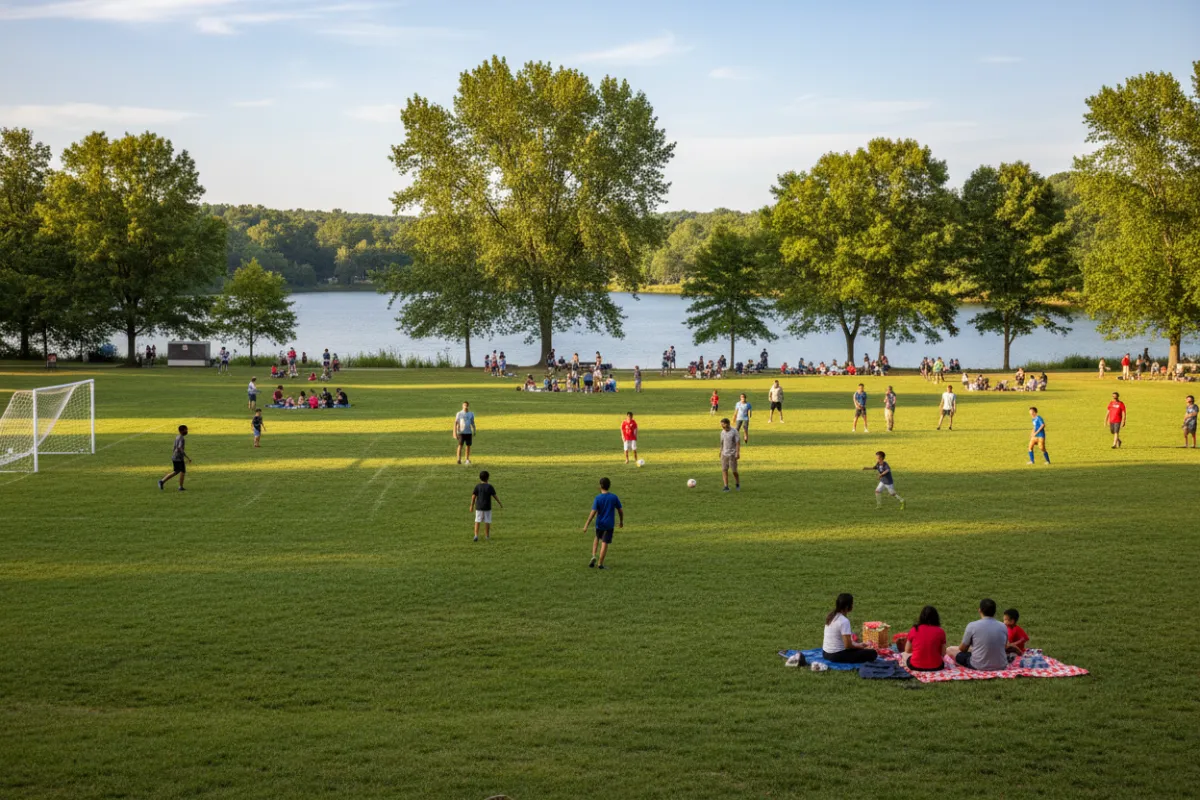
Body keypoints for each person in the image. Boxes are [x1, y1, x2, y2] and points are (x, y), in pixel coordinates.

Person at [947, 598, 1009, 671]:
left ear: (980, 610)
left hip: (978, 665)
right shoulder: (1003, 626)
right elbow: (1004, 647)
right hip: (1001, 665)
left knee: (950, 650)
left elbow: (962, 649)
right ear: (995, 612)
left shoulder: (972, 626)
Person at [822, 593, 877, 664]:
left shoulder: (831, 615)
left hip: (825, 653)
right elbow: (848, 645)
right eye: (852, 604)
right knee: (872, 653)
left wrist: (859, 645)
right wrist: (859, 647)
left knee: (859, 649)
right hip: (835, 655)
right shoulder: (844, 621)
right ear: (847, 606)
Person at [583, 477, 623, 569]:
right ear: (609, 486)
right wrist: (621, 522)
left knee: (597, 538)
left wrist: (586, 525)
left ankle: (593, 555)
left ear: (600, 486)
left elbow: (592, 513)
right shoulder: (614, 497)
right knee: (604, 543)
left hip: (599, 524)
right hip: (609, 525)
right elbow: (620, 511)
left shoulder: (598, 498)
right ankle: (600, 564)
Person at [903, 606, 946, 672]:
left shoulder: (914, 630)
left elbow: (907, 650)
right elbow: (943, 653)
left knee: (904, 654)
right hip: (937, 666)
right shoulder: (940, 631)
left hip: (915, 666)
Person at [470, 470, 503, 542]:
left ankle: (476, 535)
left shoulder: (477, 486)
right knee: (487, 521)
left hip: (479, 507)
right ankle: (487, 536)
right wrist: (499, 502)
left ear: (480, 478)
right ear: (488, 478)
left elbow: (473, 496)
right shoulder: (490, 487)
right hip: (487, 507)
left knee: (477, 521)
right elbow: (494, 496)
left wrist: (471, 505)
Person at [158, 424, 192, 491]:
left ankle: (162, 481)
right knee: (182, 471)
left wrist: (174, 454)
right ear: (182, 430)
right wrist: (187, 457)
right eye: (186, 429)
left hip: (175, 456)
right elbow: (179, 448)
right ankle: (180, 487)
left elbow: (174, 447)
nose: (187, 431)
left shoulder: (177, 437)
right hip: (179, 458)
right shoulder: (182, 438)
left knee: (176, 471)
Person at [719, 417, 740, 492]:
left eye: (723, 425)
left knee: (734, 471)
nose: (722, 426)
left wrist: (737, 452)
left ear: (728, 424)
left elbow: (737, 443)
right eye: (721, 425)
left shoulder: (734, 431)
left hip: (732, 454)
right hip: (724, 454)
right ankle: (726, 486)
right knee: (724, 470)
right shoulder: (722, 432)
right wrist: (720, 451)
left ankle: (737, 483)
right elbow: (722, 442)